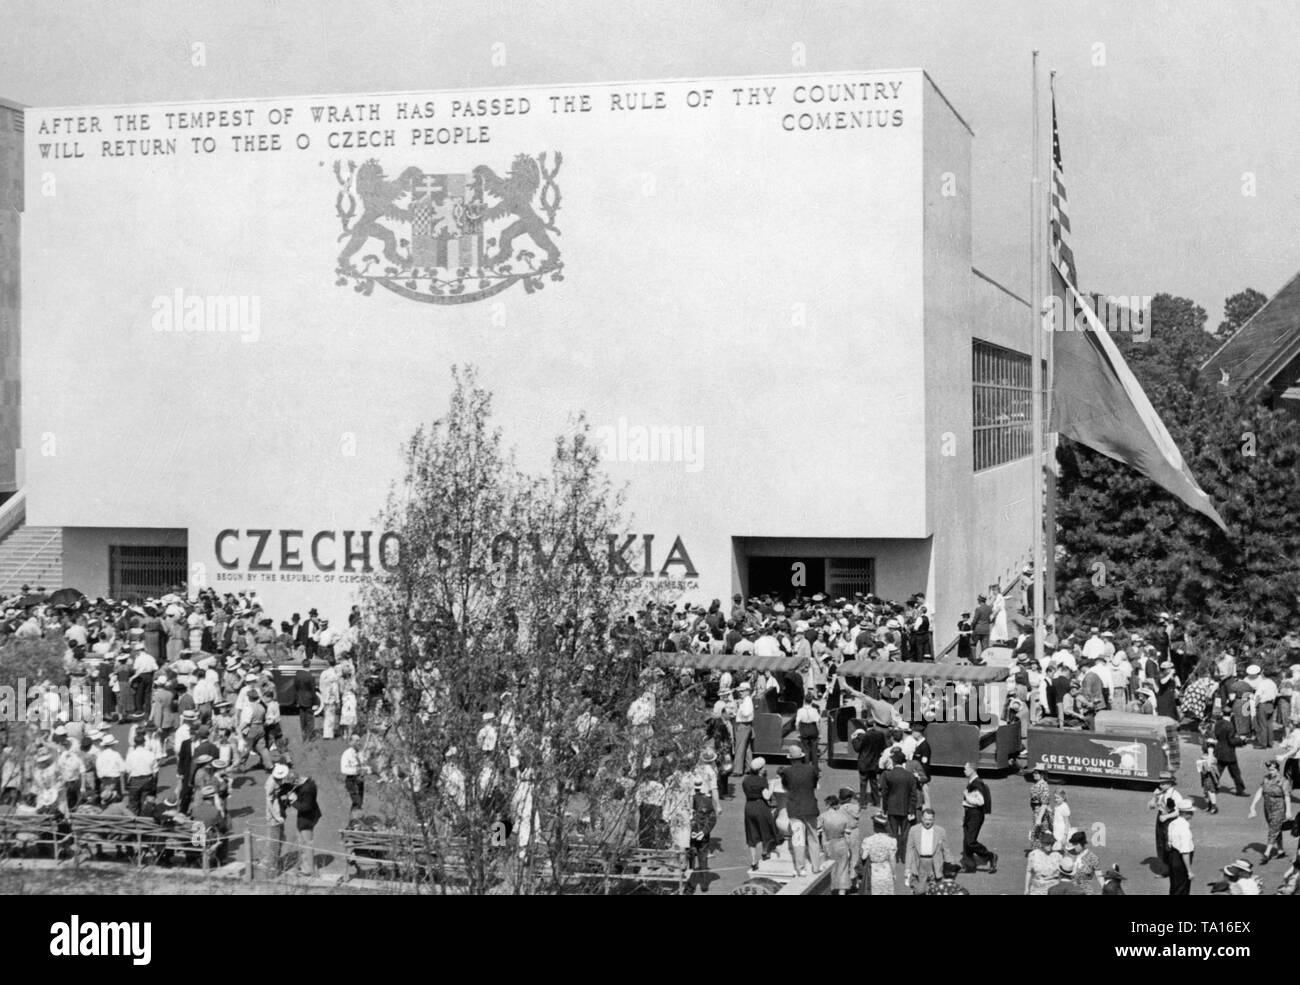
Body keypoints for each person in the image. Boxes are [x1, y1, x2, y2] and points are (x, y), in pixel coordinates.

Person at [778, 745, 822, 877]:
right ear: (802, 757)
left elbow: (785, 787)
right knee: (813, 837)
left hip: (795, 808)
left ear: (791, 759)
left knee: (798, 839)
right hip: (810, 807)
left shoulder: (786, 772)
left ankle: (800, 867)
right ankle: (816, 866)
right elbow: (814, 785)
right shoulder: (811, 769)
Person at [1248, 758, 1293, 863]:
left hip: (1279, 808)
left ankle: (1267, 853)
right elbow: (1260, 791)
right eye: (1269, 770)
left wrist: (1288, 811)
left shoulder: (1283, 781)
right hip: (1267, 807)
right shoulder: (1266, 779)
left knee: (1273, 829)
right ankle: (1280, 850)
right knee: (1277, 828)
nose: (1270, 772)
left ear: (1277, 769)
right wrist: (1252, 806)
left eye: (1272, 770)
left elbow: (1287, 797)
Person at [880, 748, 918, 863]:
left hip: (892, 808)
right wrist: (912, 811)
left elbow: (884, 793)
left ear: (894, 761)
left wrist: (884, 809)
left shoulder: (887, 775)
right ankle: (904, 856)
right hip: (906, 809)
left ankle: (894, 857)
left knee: (893, 834)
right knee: (905, 834)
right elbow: (913, 795)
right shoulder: (910, 776)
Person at [741, 757, 778, 871]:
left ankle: (753, 861)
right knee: (765, 830)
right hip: (760, 806)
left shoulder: (745, 780)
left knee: (751, 834)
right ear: (760, 769)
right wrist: (771, 785)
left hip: (749, 806)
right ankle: (765, 852)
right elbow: (766, 796)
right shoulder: (762, 781)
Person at [960, 762, 997, 874]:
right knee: (967, 840)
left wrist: (966, 796)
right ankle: (969, 866)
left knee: (970, 841)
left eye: (965, 769)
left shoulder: (977, 783)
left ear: (972, 770)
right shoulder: (973, 782)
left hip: (975, 814)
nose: (964, 771)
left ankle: (989, 855)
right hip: (970, 814)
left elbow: (980, 801)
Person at [904, 807, 951, 892]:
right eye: (926, 819)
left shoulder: (940, 831)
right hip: (920, 862)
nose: (928, 822)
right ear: (922, 818)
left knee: (935, 889)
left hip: (935, 862)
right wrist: (907, 867)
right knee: (919, 890)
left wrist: (949, 867)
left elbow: (946, 850)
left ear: (934, 819)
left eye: (930, 820)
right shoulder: (914, 830)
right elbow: (909, 850)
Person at [819, 794, 853, 894]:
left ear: (828, 804)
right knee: (843, 868)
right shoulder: (843, 817)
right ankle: (841, 892)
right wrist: (848, 848)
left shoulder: (823, 816)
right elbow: (848, 835)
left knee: (830, 869)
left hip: (828, 844)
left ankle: (831, 890)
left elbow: (819, 833)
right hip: (841, 843)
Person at [290, 772, 321, 876]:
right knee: (303, 843)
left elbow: (306, 807)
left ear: (297, 780)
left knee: (307, 843)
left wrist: (292, 801)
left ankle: (309, 870)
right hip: (307, 818)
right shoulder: (307, 784)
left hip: (307, 819)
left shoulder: (307, 789)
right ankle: (305, 866)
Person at [1149, 771, 1180, 872]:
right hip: (1161, 818)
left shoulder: (1175, 795)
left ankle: (1171, 869)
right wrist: (1154, 797)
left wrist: (1167, 816)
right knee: (1160, 843)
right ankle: (1165, 868)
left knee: (1169, 845)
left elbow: (1179, 811)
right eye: (1160, 783)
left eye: (1163, 783)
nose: (1160, 785)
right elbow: (1151, 806)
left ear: (1170, 784)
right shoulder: (1160, 793)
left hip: (1171, 821)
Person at [860, 812, 897, 896]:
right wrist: (894, 873)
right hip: (886, 871)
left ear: (874, 827)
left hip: (873, 872)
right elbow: (892, 859)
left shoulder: (868, 840)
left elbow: (863, 856)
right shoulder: (891, 841)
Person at [1213, 709, 1248, 795]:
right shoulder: (1230, 726)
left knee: (1218, 771)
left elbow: (1217, 735)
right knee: (1236, 773)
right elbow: (1231, 741)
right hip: (1229, 753)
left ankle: (1213, 786)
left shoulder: (1218, 723)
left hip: (1219, 750)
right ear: (1231, 714)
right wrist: (1241, 740)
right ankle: (1240, 790)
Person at [264, 763, 290, 873]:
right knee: (274, 839)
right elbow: (268, 802)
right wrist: (276, 816)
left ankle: (275, 859)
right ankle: (271, 863)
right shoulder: (270, 783)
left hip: (280, 810)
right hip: (274, 815)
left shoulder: (278, 780)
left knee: (281, 837)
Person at [852, 724, 886, 808]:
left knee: (863, 783)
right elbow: (883, 747)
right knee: (874, 782)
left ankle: (863, 802)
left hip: (864, 762)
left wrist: (854, 740)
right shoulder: (880, 735)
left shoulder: (864, 736)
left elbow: (857, 748)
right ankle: (876, 801)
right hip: (874, 762)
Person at [1166, 801, 1196, 895]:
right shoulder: (1184, 830)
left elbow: (1168, 842)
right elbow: (1185, 852)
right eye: (1191, 812)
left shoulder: (1173, 823)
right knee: (1182, 888)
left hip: (1172, 856)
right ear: (1185, 813)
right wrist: (1189, 871)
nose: (1192, 814)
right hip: (1181, 861)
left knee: (1174, 886)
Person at [340, 734, 369, 821]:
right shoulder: (347, 754)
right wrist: (357, 771)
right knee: (357, 801)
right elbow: (343, 769)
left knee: (359, 802)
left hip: (360, 780)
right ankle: (355, 821)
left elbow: (364, 765)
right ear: (351, 742)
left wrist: (366, 769)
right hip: (352, 780)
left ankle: (354, 821)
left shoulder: (360, 753)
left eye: (359, 740)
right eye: (356, 741)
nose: (358, 743)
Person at [1024, 829, 1061, 895]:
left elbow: (1062, 874)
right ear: (1042, 843)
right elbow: (1029, 871)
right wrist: (1026, 888)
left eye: (1052, 843)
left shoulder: (1058, 856)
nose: (1050, 845)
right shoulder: (1033, 854)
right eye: (1047, 843)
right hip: (1037, 889)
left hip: (1053, 889)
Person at [1067, 829, 1102, 894]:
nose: (1074, 846)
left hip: (1086, 891)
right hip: (1069, 890)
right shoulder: (1069, 855)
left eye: (1076, 844)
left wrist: (1105, 889)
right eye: (1073, 844)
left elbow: (1099, 877)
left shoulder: (1093, 858)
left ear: (1082, 843)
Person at [731, 682, 754, 776]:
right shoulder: (746, 699)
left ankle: (738, 770)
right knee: (747, 748)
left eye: (742, 691)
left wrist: (740, 705)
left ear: (747, 691)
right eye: (740, 691)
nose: (740, 693)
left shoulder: (747, 700)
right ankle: (749, 768)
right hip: (745, 725)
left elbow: (746, 713)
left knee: (740, 748)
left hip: (743, 725)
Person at [294, 657, 316, 742]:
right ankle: (310, 736)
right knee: (310, 718)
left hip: (300, 698)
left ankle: (303, 734)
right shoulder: (310, 677)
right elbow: (313, 690)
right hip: (309, 699)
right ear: (309, 665)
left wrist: (296, 699)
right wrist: (315, 702)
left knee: (302, 717)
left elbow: (295, 687)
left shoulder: (298, 675)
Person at [794, 694, 821, 764]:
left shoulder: (800, 710)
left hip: (804, 729)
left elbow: (797, 723)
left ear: (804, 700)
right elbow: (818, 722)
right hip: (813, 729)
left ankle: (806, 767)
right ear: (811, 701)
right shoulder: (814, 710)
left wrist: (798, 733)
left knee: (806, 750)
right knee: (814, 751)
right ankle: (815, 769)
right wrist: (819, 733)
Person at [1196, 740, 1220, 814]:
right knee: (1207, 789)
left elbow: (1209, 759)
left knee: (1210, 789)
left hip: (1209, 772)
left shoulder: (1210, 747)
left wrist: (1207, 766)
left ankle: (1214, 807)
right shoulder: (1208, 746)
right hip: (1206, 771)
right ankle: (1210, 805)